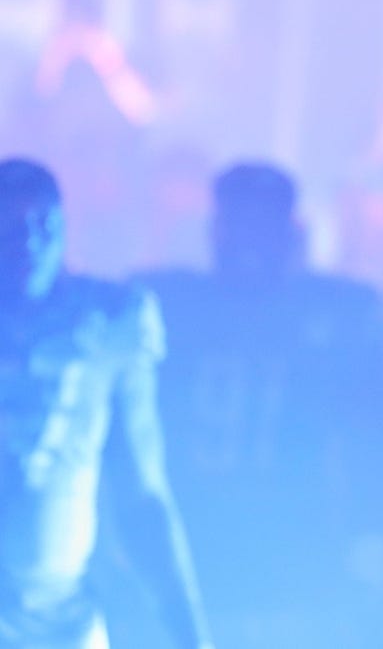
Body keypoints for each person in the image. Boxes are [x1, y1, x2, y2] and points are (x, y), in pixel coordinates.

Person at [138, 161, 383, 648]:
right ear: (216, 231)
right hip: (200, 539)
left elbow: (373, 439)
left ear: (290, 233)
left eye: (263, 225)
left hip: (289, 542)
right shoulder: (166, 303)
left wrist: (371, 535)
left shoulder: (334, 314)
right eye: (241, 224)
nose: (250, 242)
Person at [0, 157, 211, 649]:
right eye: (9, 226)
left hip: (56, 625)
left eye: (42, 224)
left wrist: (191, 635)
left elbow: (141, 496)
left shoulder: (107, 324)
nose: (27, 242)